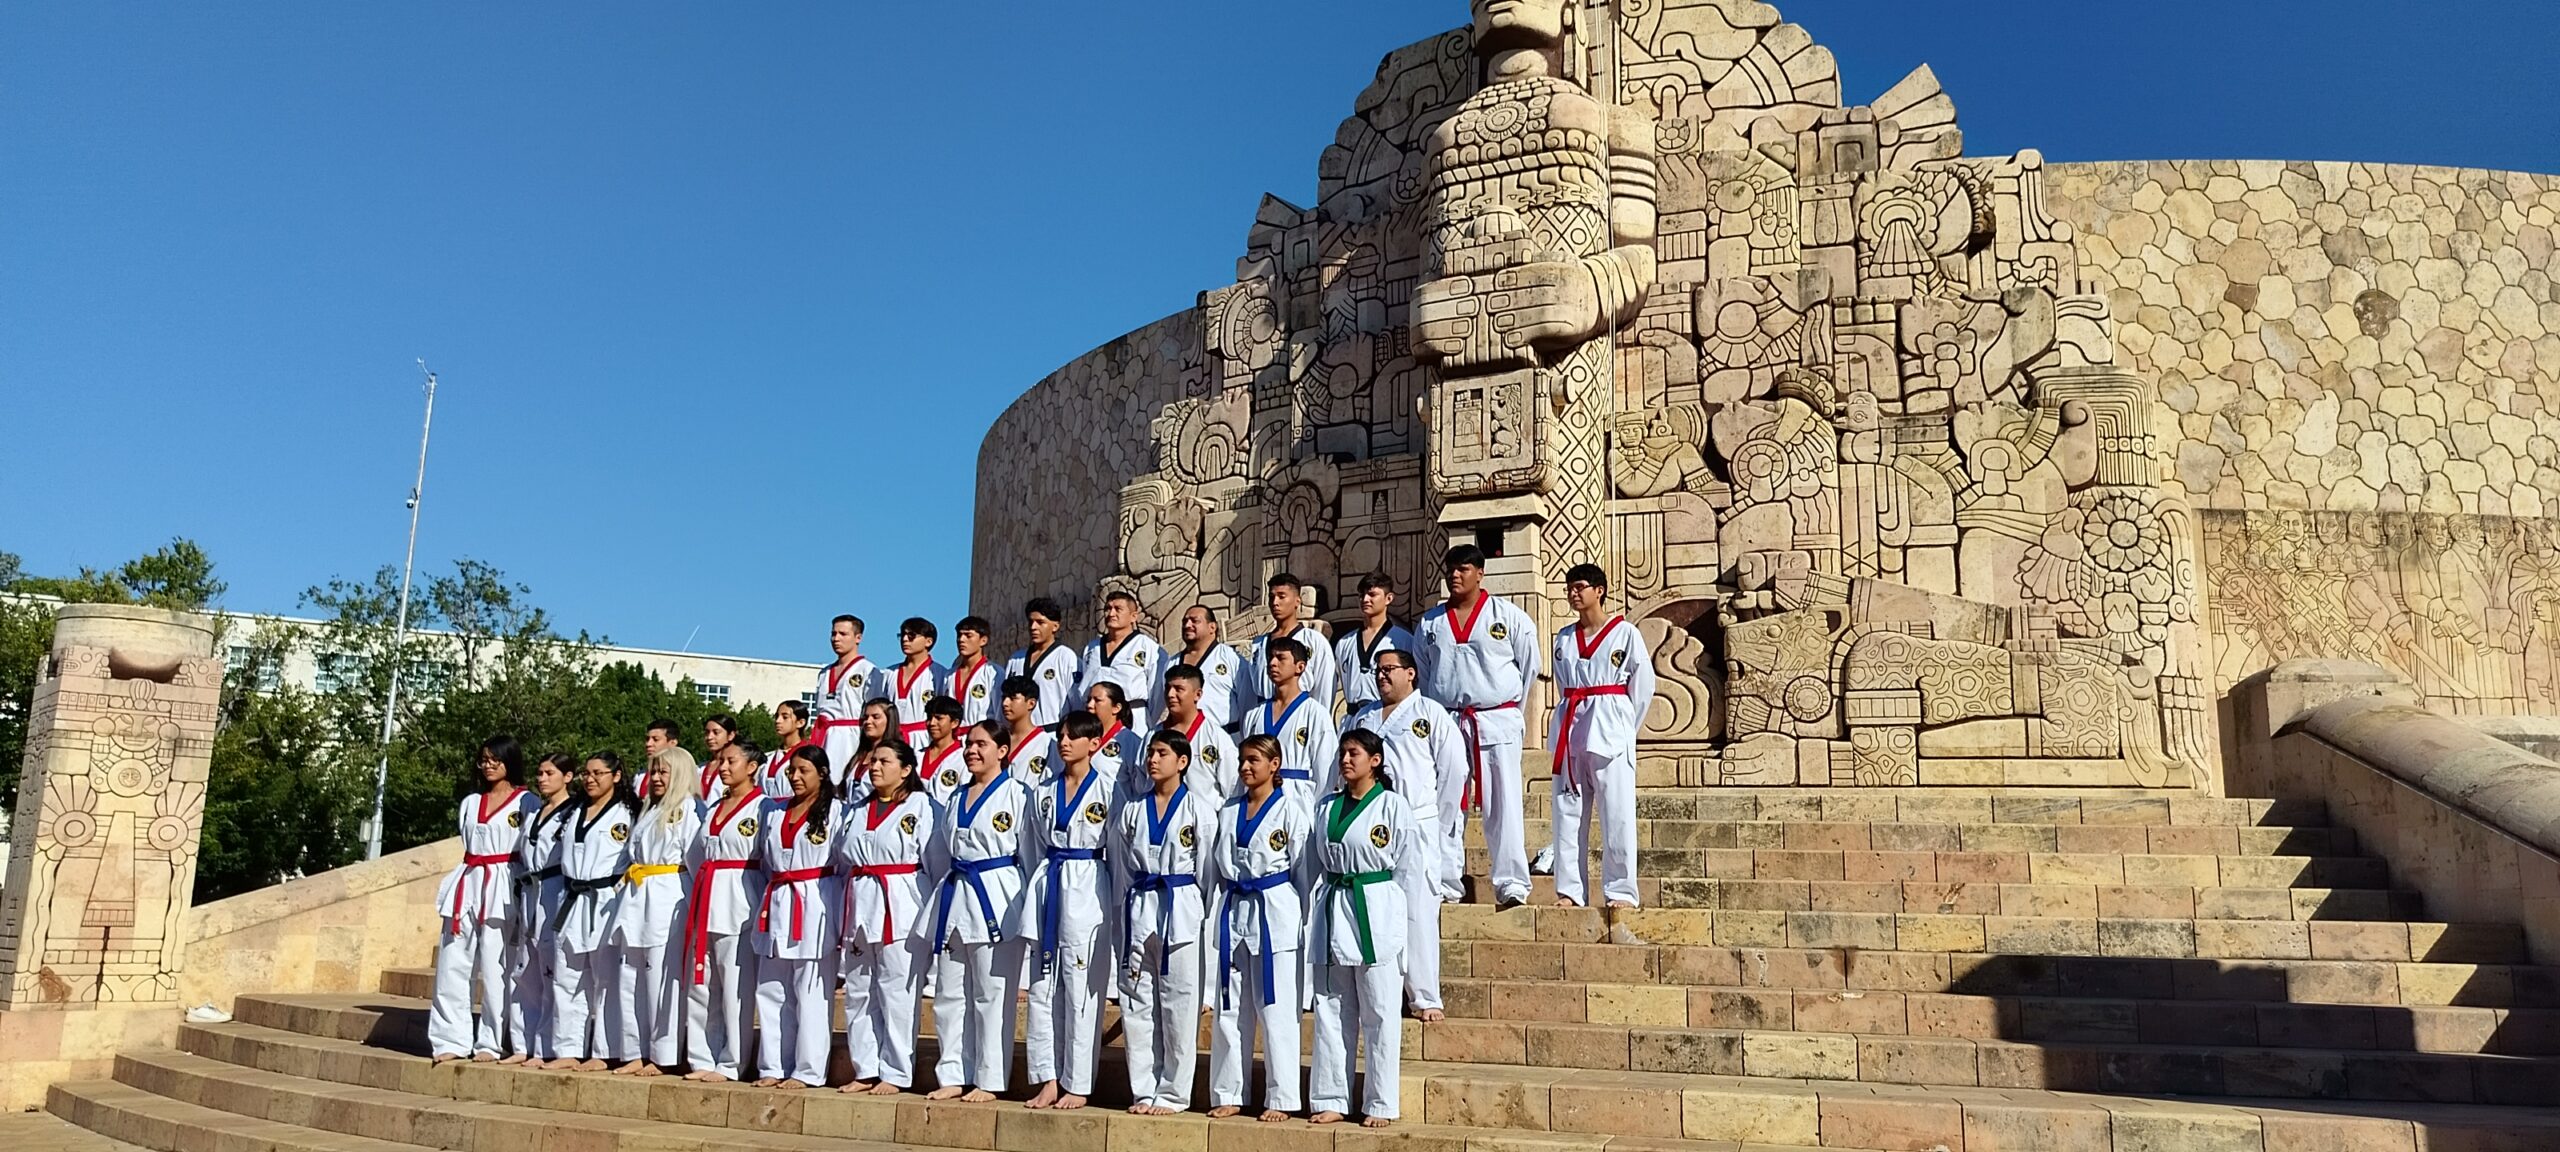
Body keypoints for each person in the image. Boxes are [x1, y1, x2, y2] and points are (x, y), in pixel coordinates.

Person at [1414, 544, 1541, 909]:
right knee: (1447, 805)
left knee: (1503, 804)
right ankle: (1446, 883)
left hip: (1496, 719)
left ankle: (1512, 884)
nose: (1455, 575)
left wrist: (1507, 710)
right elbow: (1424, 672)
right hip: (1449, 720)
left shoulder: (1509, 616)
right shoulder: (1431, 623)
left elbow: (1529, 667)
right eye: (1451, 569)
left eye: (1464, 569)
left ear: (1480, 573)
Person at [1307, 730, 1422, 1127]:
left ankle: (1381, 1102)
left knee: (1380, 1011)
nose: (1345, 760)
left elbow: (1409, 870)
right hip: (1334, 907)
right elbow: (1314, 863)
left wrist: (1402, 920)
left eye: (1353, 753)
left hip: (1376, 910)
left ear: (1375, 760)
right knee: (1331, 1008)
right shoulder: (1326, 807)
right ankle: (1331, 1097)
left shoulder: (1393, 806)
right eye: (1342, 753)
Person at [1344, 650, 1464, 1019]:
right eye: (1377, 671)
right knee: (1376, 907)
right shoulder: (1364, 717)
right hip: (1372, 824)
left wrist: (1437, 821)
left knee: (1418, 910)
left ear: (1410, 673)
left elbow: (1453, 771)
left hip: (1416, 818)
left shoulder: (1431, 713)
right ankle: (1382, 990)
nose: (1382, 676)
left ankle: (1425, 996)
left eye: (1389, 670)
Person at [926, 721, 1032, 1102]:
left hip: (998, 896)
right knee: (950, 992)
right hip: (957, 893)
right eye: (969, 744)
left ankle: (989, 1078)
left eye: (981, 744)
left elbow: (1029, 852)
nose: (972, 750)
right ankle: (953, 1073)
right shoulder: (955, 797)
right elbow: (943, 849)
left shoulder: (1018, 795)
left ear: (1002, 751)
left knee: (992, 993)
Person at [1112, 731, 1217, 1116]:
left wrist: (1193, 903)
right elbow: (1123, 864)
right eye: (1151, 753)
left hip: (1180, 906)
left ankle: (1173, 1093)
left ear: (1182, 761)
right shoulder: (1132, 810)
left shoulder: (1199, 810)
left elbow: (1207, 870)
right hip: (1141, 903)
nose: (1153, 760)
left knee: (1179, 1005)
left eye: (1162, 753)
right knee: (1137, 1002)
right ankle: (1143, 1088)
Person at [1206, 734, 1310, 1121]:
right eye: (1243, 761)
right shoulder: (1228, 810)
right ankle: (1229, 1091)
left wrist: (1295, 914)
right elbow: (1217, 865)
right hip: (1235, 909)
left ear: (1274, 764)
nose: (1246, 767)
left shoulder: (1291, 811)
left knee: (1276, 1009)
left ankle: (1281, 1096)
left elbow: (1303, 872)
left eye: (1254, 760)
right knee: (1230, 1007)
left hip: (1275, 911)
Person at [1548, 564, 1655, 917]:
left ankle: (1621, 889)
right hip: (1572, 727)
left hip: (1610, 727)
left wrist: (1624, 728)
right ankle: (1570, 890)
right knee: (1567, 813)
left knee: (1617, 812)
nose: (1573, 593)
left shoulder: (1625, 633)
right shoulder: (1564, 638)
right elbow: (1562, 685)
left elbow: (1643, 687)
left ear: (1600, 590)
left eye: (1580, 587)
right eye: (1569, 588)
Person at [1021, 711, 1111, 1111]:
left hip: (1088, 883)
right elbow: (1030, 845)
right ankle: (1048, 1078)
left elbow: (1118, 849)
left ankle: (1078, 1081)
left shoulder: (1109, 790)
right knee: (1042, 986)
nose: (1064, 742)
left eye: (1073, 736)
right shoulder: (1042, 791)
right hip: (1050, 877)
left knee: (1079, 988)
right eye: (1061, 735)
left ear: (1094, 743)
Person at [838, 740, 935, 1096]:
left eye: (884, 761)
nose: (875, 767)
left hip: (901, 902)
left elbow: (935, 859)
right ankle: (865, 1067)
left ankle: (895, 1071)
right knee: (859, 990)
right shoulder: (857, 809)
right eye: (873, 761)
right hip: (861, 900)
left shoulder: (922, 806)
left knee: (897, 991)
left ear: (906, 769)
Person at [430, 736, 533, 1063]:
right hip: (468, 880)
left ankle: (491, 1040)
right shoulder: (471, 802)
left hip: (503, 883)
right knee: (451, 963)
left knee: (495, 966)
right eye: (484, 760)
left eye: (495, 759)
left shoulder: (526, 801)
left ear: (509, 761)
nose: (488, 765)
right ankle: (450, 1038)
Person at [752, 744, 841, 1089]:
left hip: (816, 901)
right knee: (772, 989)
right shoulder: (775, 812)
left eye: (804, 770)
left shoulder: (837, 811)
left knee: (810, 990)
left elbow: (844, 862)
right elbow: (765, 859)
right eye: (792, 771)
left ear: (822, 773)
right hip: (777, 899)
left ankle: (808, 1070)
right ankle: (773, 1066)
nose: (795, 777)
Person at [543, 752, 637, 1072]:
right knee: (566, 975)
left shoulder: (627, 813)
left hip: (606, 899)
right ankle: (567, 1048)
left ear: (616, 776)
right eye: (587, 773)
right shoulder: (575, 811)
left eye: (599, 773)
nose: (591, 778)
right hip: (571, 897)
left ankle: (605, 1050)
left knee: (605, 978)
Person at [609, 745, 699, 1076]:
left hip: (668, 894)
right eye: (654, 771)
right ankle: (634, 1050)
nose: (657, 778)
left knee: (661, 977)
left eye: (664, 771)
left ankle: (663, 1054)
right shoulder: (650, 810)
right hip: (637, 893)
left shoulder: (689, 809)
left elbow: (696, 859)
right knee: (630, 976)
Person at [683, 742, 766, 1083]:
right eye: (721, 762)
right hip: (708, 897)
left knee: (734, 988)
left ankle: (732, 1062)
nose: (724, 767)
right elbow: (695, 855)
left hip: (740, 901)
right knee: (701, 985)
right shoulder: (714, 806)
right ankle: (701, 1057)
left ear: (752, 766)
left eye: (732, 761)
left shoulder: (764, 808)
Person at [502, 753, 577, 1066]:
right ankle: (522, 1043)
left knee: (551, 969)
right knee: (524, 970)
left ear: (567, 777)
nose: (542, 779)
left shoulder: (573, 812)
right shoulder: (534, 813)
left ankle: (547, 1046)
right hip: (530, 892)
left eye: (550, 773)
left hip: (555, 890)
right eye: (540, 773)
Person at [1243, 637, 1337, 811]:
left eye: (1281, 658)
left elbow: (1325, 773)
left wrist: (1313, 806)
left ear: (1300, 667)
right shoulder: (1254, 715)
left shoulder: (1316, 714)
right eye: (1271, 658)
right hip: (1259, 800)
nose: (1272, 663)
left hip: (1298, 801)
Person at [1236, 574, 1337, 723]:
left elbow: (1325, 688)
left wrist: (1317, 721)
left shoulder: (1314, 641)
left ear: (1297, 601)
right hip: (1264, 715)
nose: (1275, 602)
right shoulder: (1259, 644)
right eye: (1272, 597)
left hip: (1300, 715)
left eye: (1281, 596)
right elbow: (1249, 693)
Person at [1079, 589, 1163, 730]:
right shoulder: (1092, 648)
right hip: (1095, 719)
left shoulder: (1147, 647)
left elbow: (1158, 691)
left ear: (1133, 616)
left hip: (1133, 718)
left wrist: (1145, 717)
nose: (1111, 613)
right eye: (1107, 609)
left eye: (1118, 609)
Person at [1155, 663, 1239, 799]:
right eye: (1167, 688)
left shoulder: (1217, 738)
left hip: (1206, 812)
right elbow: (1141, 785)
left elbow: (1233, 790)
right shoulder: (1152, 737)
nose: (1170, 694)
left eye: (1178, 689)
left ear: (1198, 694)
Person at [815, 615, 885, 774]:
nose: (836, 639)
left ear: (858, 638)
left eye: (843, 634)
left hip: (851, 738)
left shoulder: (868, 670)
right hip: (823, 736)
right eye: (833, 634)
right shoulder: (824, 673)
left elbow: (876, 710)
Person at [1335, 574, 1413, 715]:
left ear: (1388, 598)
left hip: (1388, 715)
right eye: (1361, 595)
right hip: (1353, 718)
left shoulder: (1403, 640)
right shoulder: (1345, 643)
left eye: (1372, 595)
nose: (1365, 599)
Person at [1159, 604, 1244, 732]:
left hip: (1224, 734)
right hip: (1183, 736)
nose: (1187, 625)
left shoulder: (1231, 658)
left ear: (1212, 627)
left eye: (1195, 621)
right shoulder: (1172, 663)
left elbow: (1247, 701)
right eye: (1184, 621)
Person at [1006, 598, 1081, 730]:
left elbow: (1077, 701)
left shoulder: (1066, 657)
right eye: (1031, 622)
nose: (1033, 627)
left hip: (1052, 732)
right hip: (1019, 733)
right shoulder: (1016, 659)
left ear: (1055, 626)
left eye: (1040, 622)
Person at [890, 617, 946, 751]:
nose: (905, 639)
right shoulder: (888, 673)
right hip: (893, 739)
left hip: (924, 739)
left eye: (911, 636)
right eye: (902, 635)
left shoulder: (940, 674)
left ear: (928, 641)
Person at [1084, 682, 1145, 799]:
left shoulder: (1131, 742)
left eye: (1097, 700)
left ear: (1116, 708)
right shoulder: (1079, 738)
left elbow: (1140, 788)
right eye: (1088, 700)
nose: (1090, 705)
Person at [944, 615, 1001, 727]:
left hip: (983, 733)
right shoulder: (949, 675)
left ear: (983, 640)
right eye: (959, 635)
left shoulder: (994, 673)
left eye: (968, 635)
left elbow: (999, 714)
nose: (961, 640)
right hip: (953, 735)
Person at [1000, 675, 1056, 784]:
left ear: (1031, 703)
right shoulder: (997, 738)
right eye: (1004, 697)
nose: (1005, 703)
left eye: (1012, 698)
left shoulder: (1047, 743)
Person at [918, 696, 970, 802]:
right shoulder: (917, 756)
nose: (932, 723)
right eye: (929, 718)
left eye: (939, 718)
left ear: (954, 723)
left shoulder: (963, 758)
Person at [766, 700, 817, 796]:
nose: (777, 721)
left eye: (785, 717)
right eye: (776, 716)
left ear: (800, 722)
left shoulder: (809, 757)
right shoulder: (767, 757)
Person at [701, 714, 742, 806]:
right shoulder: (699, 769)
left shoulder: (737, 768)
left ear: (731, 735)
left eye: (716, 732)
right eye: (707, 732)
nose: (709, 737)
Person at [638, 719, 681, 797]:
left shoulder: (683, 774)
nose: (648, 744)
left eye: (656, 739)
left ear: (672, 743)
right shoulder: (639, 776)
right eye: (647, 739)